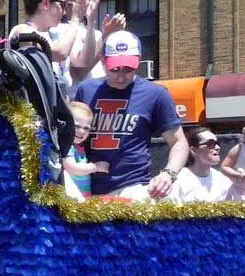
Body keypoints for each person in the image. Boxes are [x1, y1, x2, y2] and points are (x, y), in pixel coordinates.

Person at [72, 30, 188, 201]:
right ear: (103, 61)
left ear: (139, 60)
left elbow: (179, 141)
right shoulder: (86, 90)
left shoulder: (156, 94)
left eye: (128, 69)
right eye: (114, 69)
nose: (121, 76)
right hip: (88, 187)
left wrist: (168, 174)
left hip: (134, 187)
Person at [168, 127, 232, 203]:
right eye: (210, 144)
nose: (218, 147)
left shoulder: (223, 180)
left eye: (217, 143)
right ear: (194, 150)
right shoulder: (177, 180)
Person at [62, 101, 108, 198]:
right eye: (77, 126)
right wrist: (96, 167)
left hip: (83, 197)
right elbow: (72, 168)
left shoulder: (79, 146)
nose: (82, 131)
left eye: (86, 128)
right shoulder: (67, 145)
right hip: (71, 197)